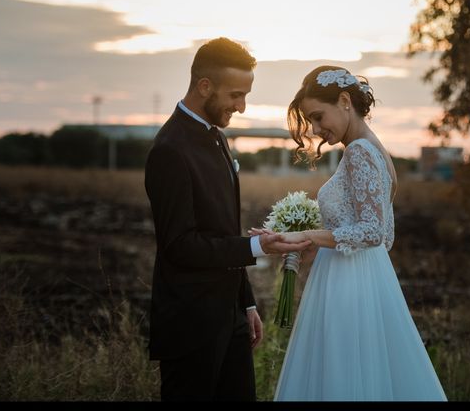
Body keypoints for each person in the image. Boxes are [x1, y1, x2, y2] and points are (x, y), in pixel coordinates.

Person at [250, 65, 447, 401]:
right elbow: (385, 237)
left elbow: (371, 232)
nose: (315, 129)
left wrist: (306, 236)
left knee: (341, 376)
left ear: (344, 100)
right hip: (366, 279)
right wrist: (320, 243)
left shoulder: (358, 151)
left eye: (317, 116)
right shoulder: (376, 149)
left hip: (347, 285)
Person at [144, 37, 311, 401]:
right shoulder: (169, 150)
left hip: (231, 318)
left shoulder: (217, 137)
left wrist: (246, 303)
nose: (242, 105)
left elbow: (223, 232)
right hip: (191, 324)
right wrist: (257, 246)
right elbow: (180, 247)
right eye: (236, 95)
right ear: (205, 86)